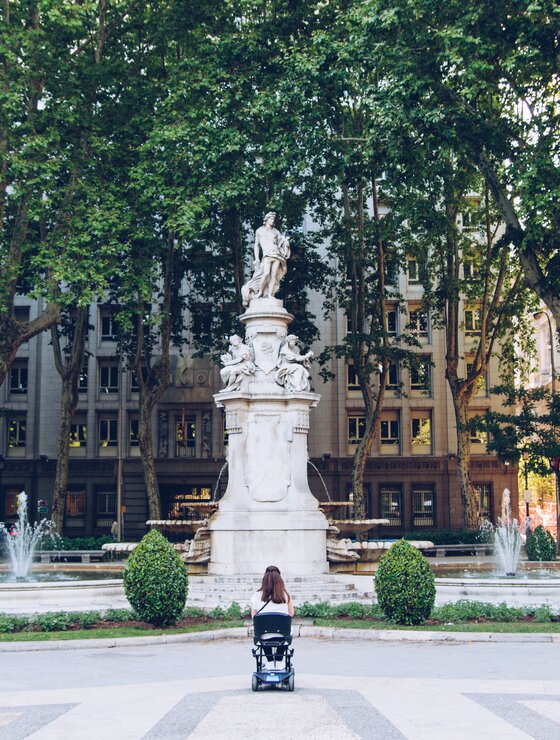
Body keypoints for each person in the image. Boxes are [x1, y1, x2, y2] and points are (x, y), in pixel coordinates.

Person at [251, 565, 294, 667]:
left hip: (263, 635)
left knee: (262, 631)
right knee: (286, 630)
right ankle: (279, 661)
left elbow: (254, 617)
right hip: (282, 634)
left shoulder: (256, 596)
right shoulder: (286, 596)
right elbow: (291, 614)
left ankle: (270, 661)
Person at [253, 212, 291, 299]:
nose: (273, 221)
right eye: (271, 219)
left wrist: (286, 243)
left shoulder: (276, 231)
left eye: (273, 219)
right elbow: (256, 245)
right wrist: (257, 258)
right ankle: (260, 292)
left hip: (276, 254)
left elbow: (282, 242)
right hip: (267, 255)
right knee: (266, 273)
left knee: (273, 275)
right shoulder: (259, 230)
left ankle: (270, 294)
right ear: (266, 219)